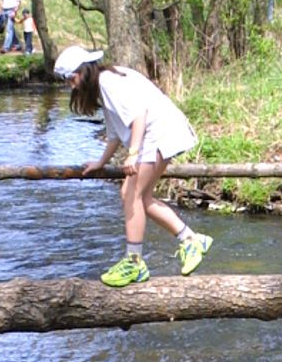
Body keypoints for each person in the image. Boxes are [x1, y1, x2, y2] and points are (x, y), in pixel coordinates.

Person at [56, 45, 214, 287]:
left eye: (71, 78)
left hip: (159, 132)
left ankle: (135, 263)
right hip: (160, 131)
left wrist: (133, 153)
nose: (71, 85)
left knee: (131, 194)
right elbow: (114, 133)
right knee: (140, 197)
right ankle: (192, 239)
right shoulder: (104, 84)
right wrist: (101, 162)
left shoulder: (109, 81)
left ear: (83, 71)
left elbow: (139, 115)